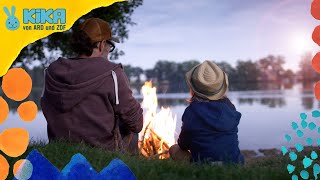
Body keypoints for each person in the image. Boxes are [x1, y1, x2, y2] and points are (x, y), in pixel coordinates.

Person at [40, 18, 143, 153]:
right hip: (103, 151)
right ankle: (130, 168)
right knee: (129, 124)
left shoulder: (52, 70)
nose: (108, 50)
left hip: (59, 148)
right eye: (109, 45)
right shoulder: (112, 73)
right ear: (101, 44)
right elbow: (136, 123)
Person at [169, 60, 244, 164]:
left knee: (174, 149)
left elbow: (183, 144)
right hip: (234, 163)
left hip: (203, 164)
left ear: (193, 88)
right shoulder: (230, 108)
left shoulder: (191, 111)